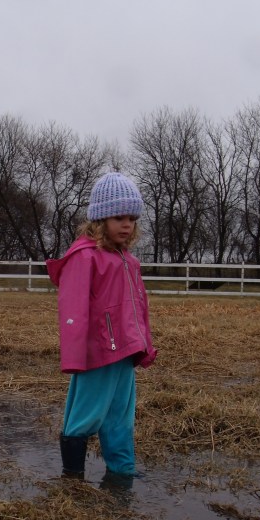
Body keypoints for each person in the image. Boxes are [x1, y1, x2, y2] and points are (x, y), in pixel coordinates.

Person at [46, 171, 157, 484]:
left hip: (126, 350)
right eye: (119, 218)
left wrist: (145, 346)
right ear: (100, 219)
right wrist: (75, 357)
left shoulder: (129, 261)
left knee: (120, 415)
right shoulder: (85, 257)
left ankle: (122, 471)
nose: (127, 225)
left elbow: (139, 309)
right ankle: (72, 477)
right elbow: (73, 309)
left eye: (132, 219)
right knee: (86, 413)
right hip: (97, 351)